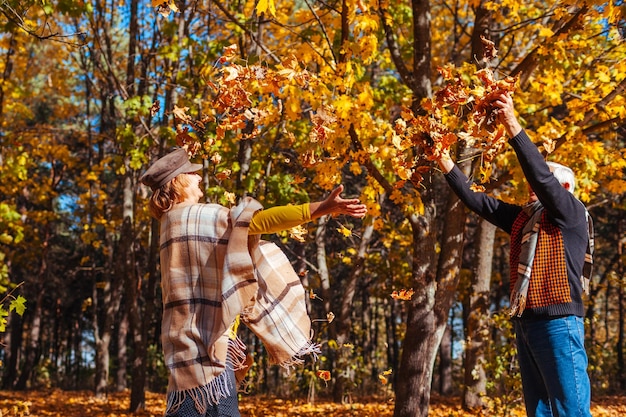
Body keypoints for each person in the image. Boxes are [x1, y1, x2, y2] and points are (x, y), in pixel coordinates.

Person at [139, 148, 367, 417]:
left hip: (188, 349)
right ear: (177, 182)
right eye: (191, 173)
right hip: (209, 352)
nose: (198, 177)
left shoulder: (170, 223)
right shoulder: (195, 217)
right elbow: (258, 221)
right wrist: (322, 208)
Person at [434, 92, 594, 417]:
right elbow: (480, 202)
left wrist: (511, 122)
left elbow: (540, 175)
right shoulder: (525, 219)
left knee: (571, 412)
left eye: (543, 181)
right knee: (540, 412)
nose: (531, 186)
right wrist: (444, 160)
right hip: (527, 324)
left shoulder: (570, 211)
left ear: (563, 188)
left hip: (559, 323)